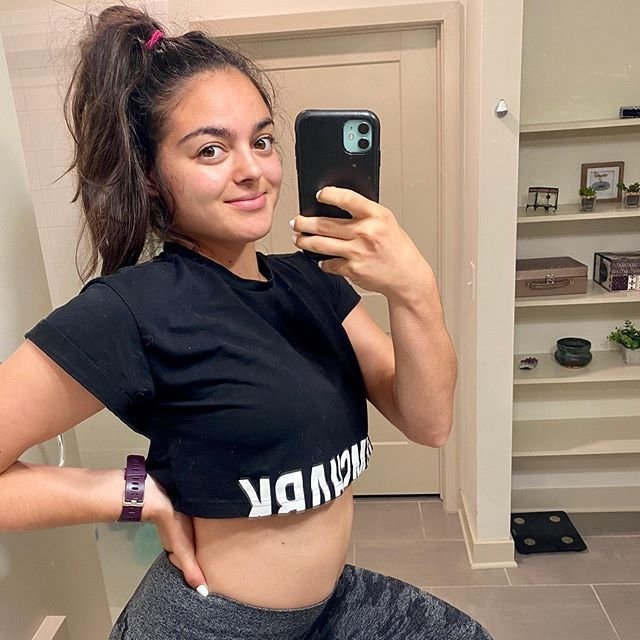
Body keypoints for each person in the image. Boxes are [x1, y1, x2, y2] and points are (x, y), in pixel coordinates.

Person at [0, 5, 493, 639]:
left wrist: (414, 289)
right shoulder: (133, 307)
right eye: (211, 150)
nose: (252, 169)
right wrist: (135, 494)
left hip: (326, 607)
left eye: (261, 141)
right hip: (212, 624)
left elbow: (429, 422)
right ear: (150, 177)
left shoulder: (313, 280)